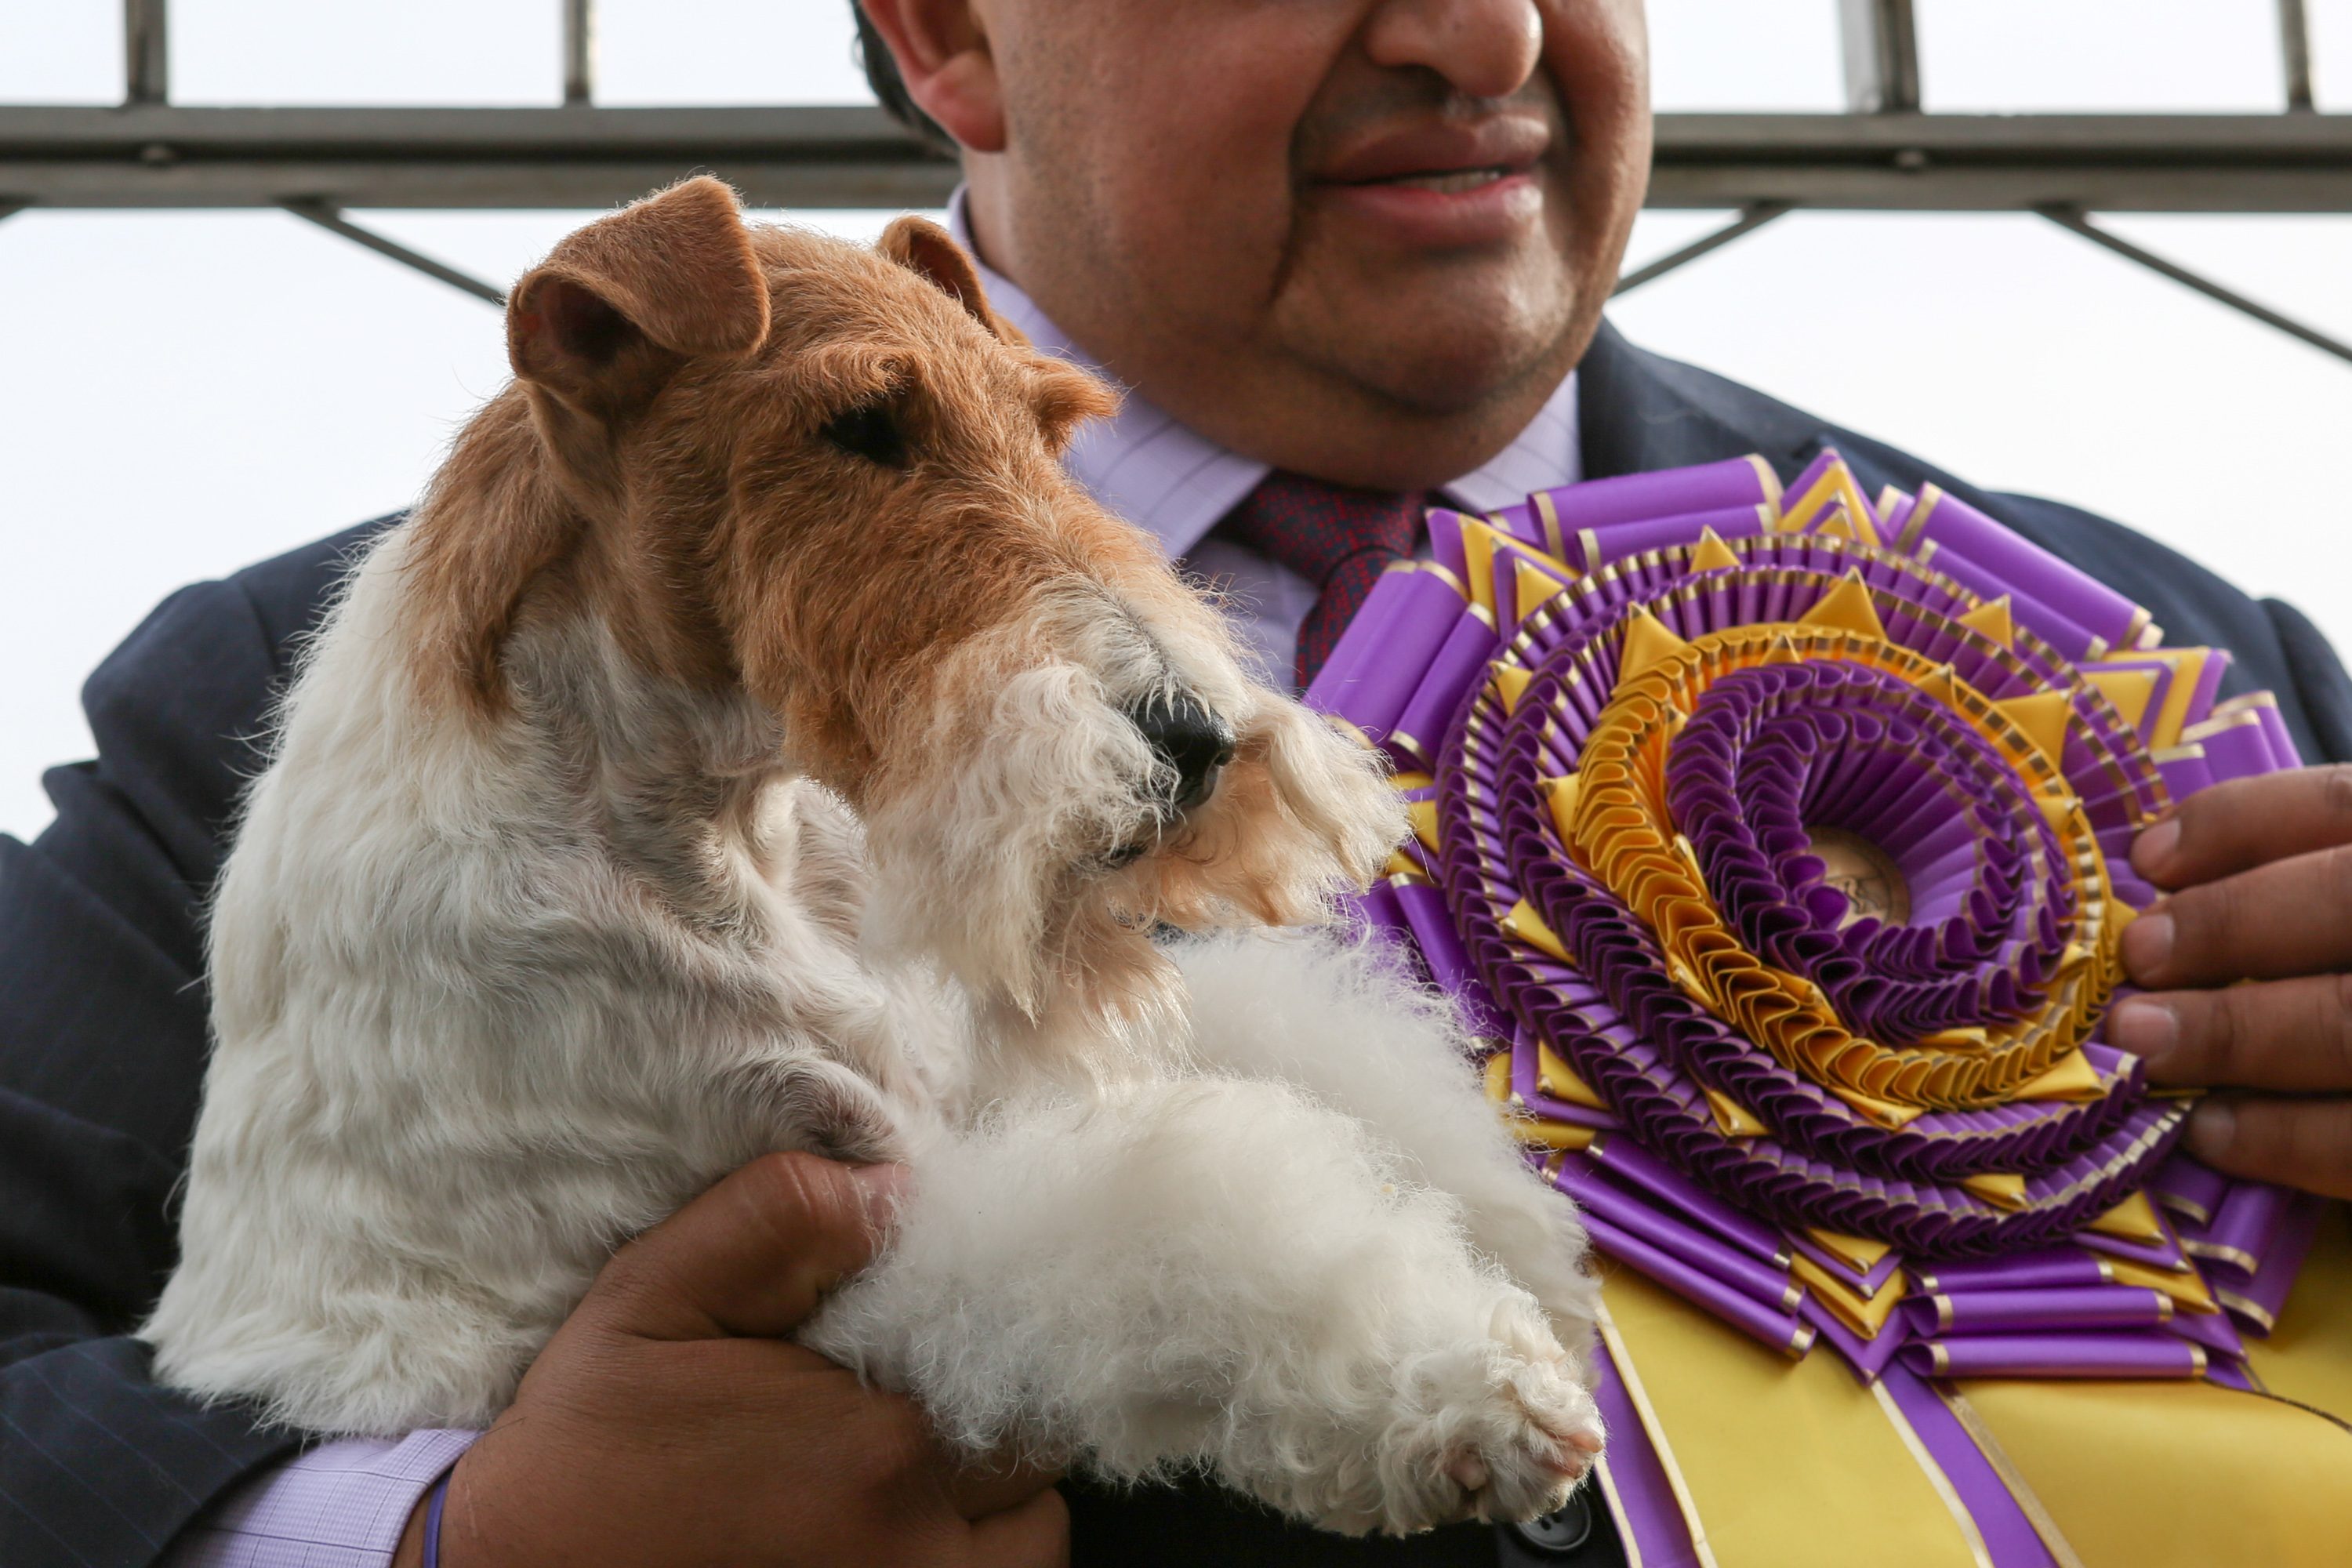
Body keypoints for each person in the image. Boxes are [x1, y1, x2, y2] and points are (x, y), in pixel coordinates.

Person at [4, 2, 2348, 1564]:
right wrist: (440, 1538)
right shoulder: (292, 718)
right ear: (944, 23)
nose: (1487, 30)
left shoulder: (2186, 678)